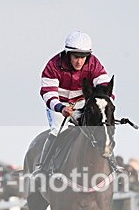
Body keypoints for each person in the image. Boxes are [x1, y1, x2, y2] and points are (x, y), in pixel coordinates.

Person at [33, 31, 112, 175]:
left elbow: (104, 85)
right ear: (68, 54)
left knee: (99, 128)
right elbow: (48, 92)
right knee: (58, 130)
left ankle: (112, 164)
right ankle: (42, 167)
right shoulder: (53, 66)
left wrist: (106, 103)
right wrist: (60, 107)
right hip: (59, 104)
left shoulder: (94, 63)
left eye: (83, 57)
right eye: (76, 57)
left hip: (81, 103)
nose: (80, 62)